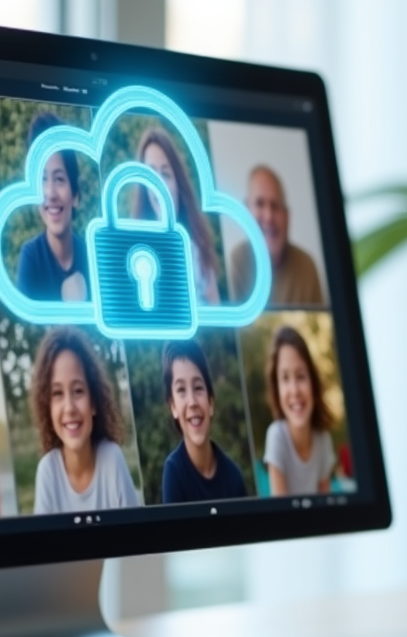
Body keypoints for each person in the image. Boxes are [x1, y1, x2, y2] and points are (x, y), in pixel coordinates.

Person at [30, 327, 140, 513]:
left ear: (94, 403)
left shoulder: (112, 459)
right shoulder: (47, 472)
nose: (69, 407)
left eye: (78, 391)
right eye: (57, 393)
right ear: (47, 407)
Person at [132, 126, 222, 304]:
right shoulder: (133, 252)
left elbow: (217, 320)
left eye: (165, 174)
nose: (158, 185)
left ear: (177, 183)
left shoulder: (197, 249)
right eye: (150, 175)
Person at [160, 340, 250, 503]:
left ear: (211, 402)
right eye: (181, 390)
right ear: (173, 406)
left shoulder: (234, 476)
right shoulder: (174, 472)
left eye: (198, 388)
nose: (192, 401)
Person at [15, 112, 89, 302]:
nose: (50, 192)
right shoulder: (31, 257)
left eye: (59, 179)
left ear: (75, 196)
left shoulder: (93, 259)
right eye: (42, 179)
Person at [228, 165, 324, 306]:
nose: (268, 216)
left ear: (287, 217)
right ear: (246, 212)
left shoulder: (307, 267)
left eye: (275, 205)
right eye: (260, 204)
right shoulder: (235, 262)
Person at [262, 325, 336, 496]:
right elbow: (282, 516)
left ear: (313, 382)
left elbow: (327, 508)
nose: (294, 390)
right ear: (276, 388)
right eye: (285, 378)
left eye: (301, 376)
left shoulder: (323, 439)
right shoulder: (276, 436)